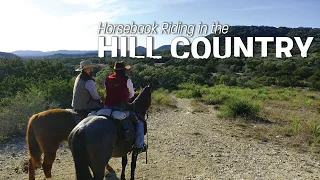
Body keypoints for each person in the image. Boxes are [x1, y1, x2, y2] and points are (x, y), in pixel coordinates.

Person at [104, 61, 147, 155]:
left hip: (106, 107)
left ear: (114, 70)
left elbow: (106, 91)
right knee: (139, 122)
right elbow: (131, 94)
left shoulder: (108, 78)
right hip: (121, 107)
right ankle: (139, 146)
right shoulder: (127, 80)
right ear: (124, 70)